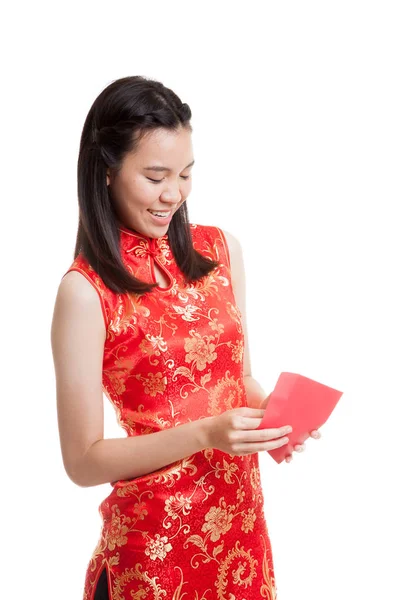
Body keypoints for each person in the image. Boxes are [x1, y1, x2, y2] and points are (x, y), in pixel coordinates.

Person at [51, 75, 321, 600]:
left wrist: (275, 419)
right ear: (106, 171)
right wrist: (205, 434)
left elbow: (237, 379)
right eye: (154, 177)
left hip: (240, 534)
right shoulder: (85, 293)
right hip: (153, 549)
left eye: (185, 174)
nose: (173, 194)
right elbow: (81, 461)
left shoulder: (221, 250)